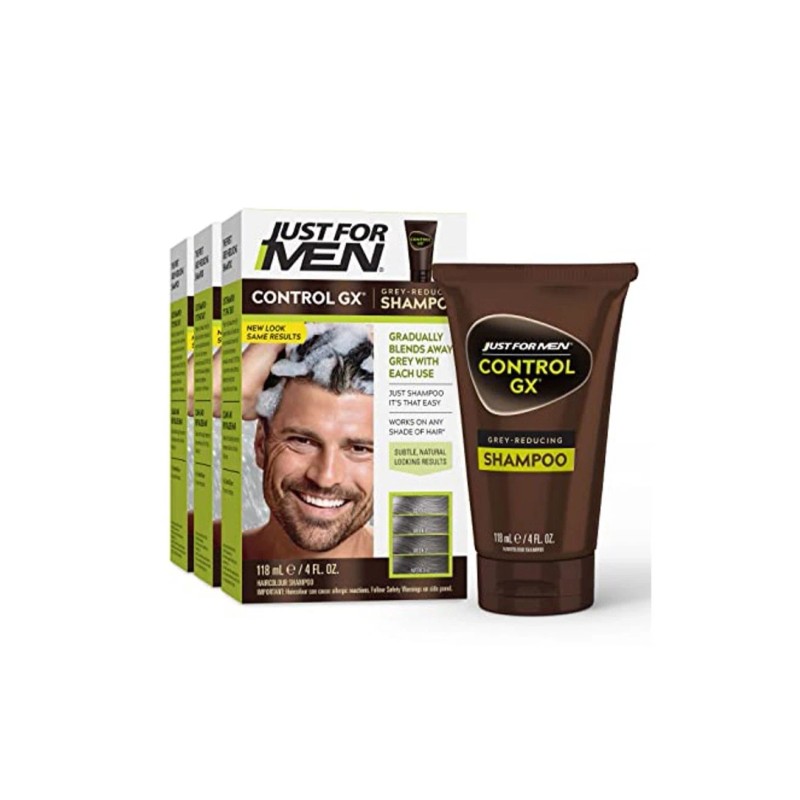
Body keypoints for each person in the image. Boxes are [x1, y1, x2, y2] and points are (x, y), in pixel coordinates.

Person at [242, 325, 374, 560]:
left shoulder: (421, 565)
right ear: (261, 443)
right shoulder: (200, 551)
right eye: (303, 441)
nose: (325, 478)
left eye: (359, 449)